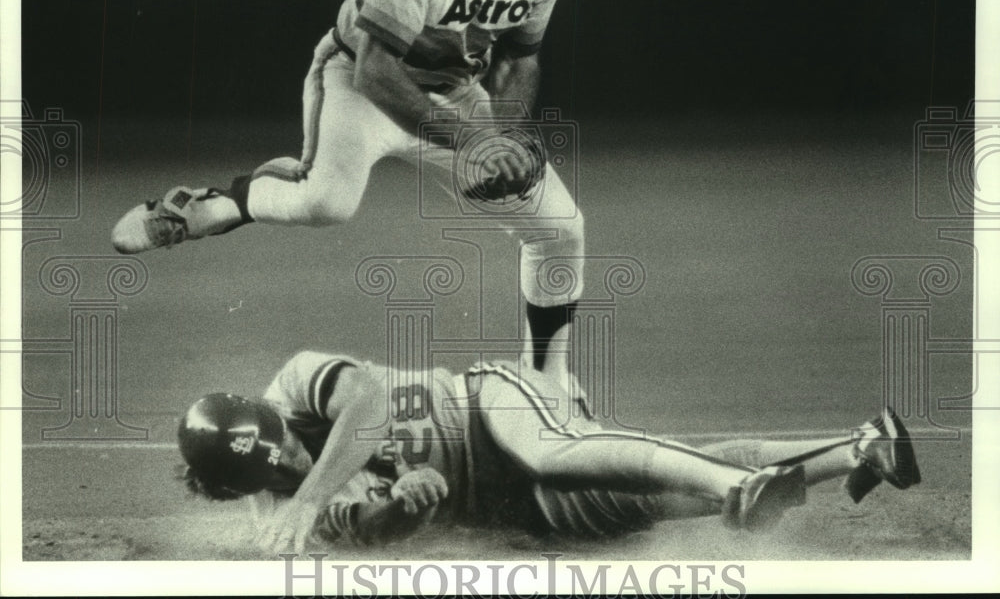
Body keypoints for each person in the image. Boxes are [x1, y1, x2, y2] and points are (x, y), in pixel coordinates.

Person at [111, 0, 584, 386]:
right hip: (361, 84)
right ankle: (206, 207)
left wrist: (504, 136)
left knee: (559, 228)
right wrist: (475, 141)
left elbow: (519, 57)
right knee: (327, 203)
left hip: (455, 93)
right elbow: (377, 71)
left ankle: (548, 386)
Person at [177, 350, 921, 550]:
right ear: (240, 488)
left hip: (489, 407)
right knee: (663, 503)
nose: (293, 465)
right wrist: (406, 506)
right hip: (510, 503)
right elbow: (371, 528)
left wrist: (311, 493)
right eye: (275, 475)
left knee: (553, 454)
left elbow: (367, 405)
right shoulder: (280, 523)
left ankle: (743, 486)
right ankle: (862, 446)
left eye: (284, 451)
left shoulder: (296, 383)